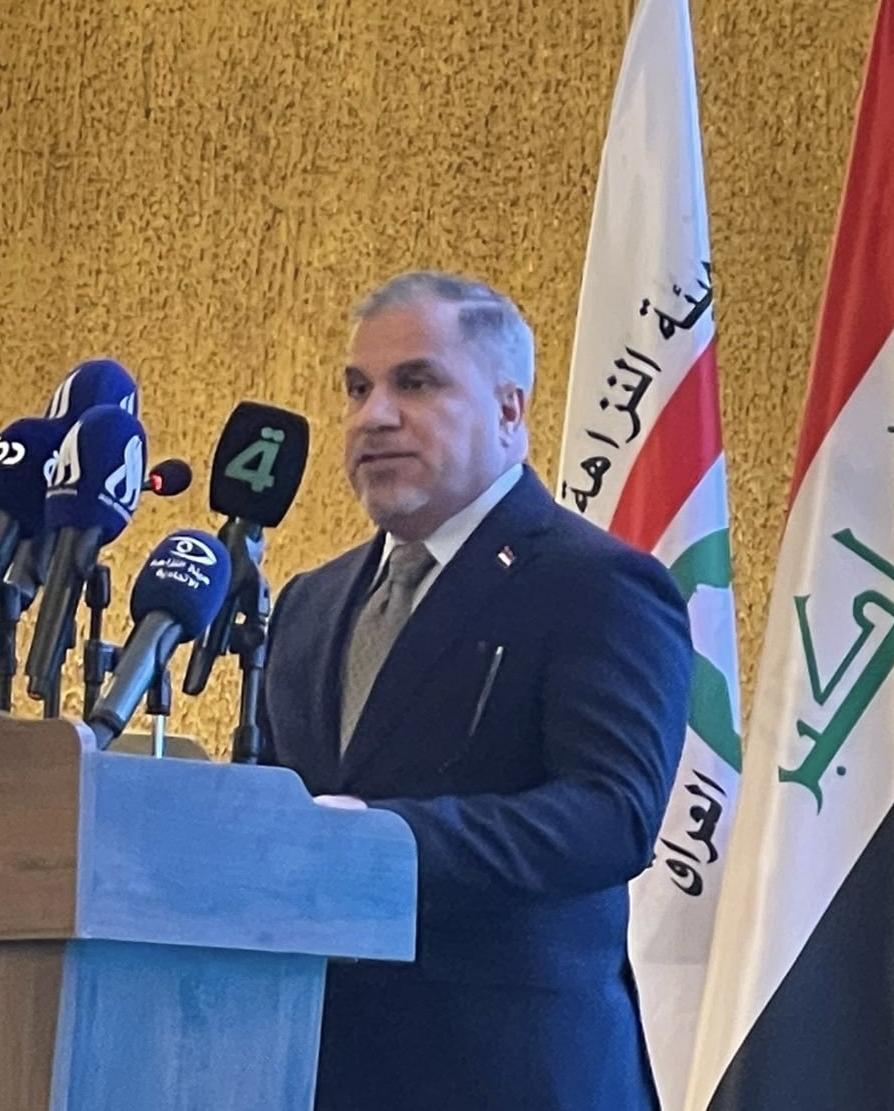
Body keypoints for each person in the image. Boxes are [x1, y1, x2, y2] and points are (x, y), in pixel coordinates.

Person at [259, 270, 692, 1110]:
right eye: (357, 388)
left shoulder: (596, 583)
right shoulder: (309, 602)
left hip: (516, 1077)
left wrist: (382, 838)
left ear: (508, 410)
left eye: (415, 383)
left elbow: (611, 816)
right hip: (318, 1073)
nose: (373, 416)